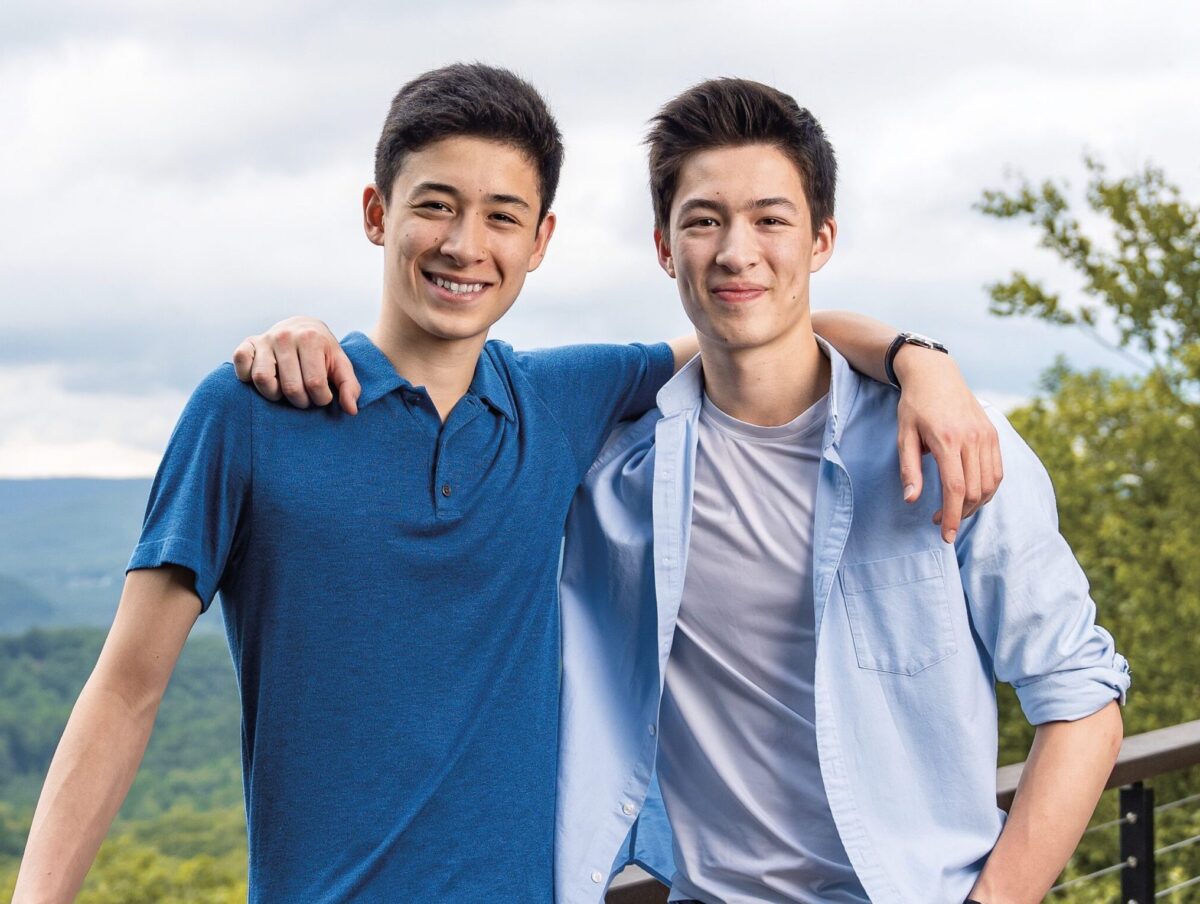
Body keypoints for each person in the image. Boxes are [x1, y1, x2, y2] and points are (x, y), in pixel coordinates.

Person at [13, 64, 998, 903]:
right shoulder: (248, 414)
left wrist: (919, 357)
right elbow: (125, 691)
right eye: (434, 203)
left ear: (540, 242)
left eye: (501, 216)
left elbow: (755, 320)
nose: (462, 243)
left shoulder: (562, 401)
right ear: (376, 213)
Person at [552, 79, 1129, 903]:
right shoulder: (612, 469)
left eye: (770, 219)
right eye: (703, 220)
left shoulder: (950, 446)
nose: (735, 250)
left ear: (821, 239)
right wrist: (311, 348)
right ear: (663, 245)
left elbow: (1081, 702)